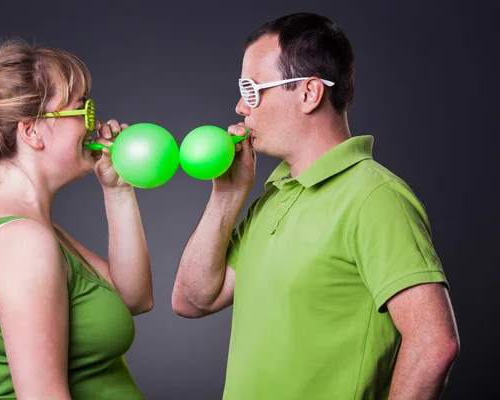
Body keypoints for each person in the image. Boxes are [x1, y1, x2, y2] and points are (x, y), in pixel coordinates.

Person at [172, 12, 459, 399]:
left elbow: (434, 342)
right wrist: (227, 197)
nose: (241, 106)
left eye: (253, 89)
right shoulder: (274, 198)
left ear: (309, 93)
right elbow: (192, 300)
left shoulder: (375, 197)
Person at [0, 39, 152, 399]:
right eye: (83, 110)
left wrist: (118, 191)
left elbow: (134, 298)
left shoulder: (32, 227)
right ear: (31, 131)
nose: (93, 125)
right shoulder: (22, 243)